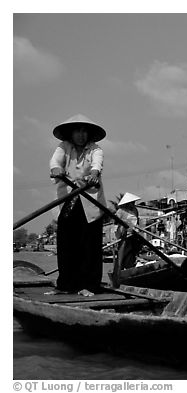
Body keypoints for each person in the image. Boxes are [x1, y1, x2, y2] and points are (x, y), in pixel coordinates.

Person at [48, 114, 107, 297]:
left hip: (89, 202)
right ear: (71, 133)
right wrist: (56, 169)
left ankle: (90, 286)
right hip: (68, 199)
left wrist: (95, 173)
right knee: (66, 243)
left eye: (84, 131)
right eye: (77, 131)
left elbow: (97, 163)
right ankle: (65, 285)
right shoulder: (64, 147)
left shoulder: (95, 149)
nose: (81, 135)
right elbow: (55, 161)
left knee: (89, 245)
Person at [114, 192, 141, 270]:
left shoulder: (135, 210)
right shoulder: (121, 211)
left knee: (132, 251)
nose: (133, 204)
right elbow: (115, 222)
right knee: (123, 252)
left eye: (134, 202)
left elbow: (136, 221)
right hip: (123, 234)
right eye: (132, 202)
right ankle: (119, 269)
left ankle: (130, 267)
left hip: (133, 233)